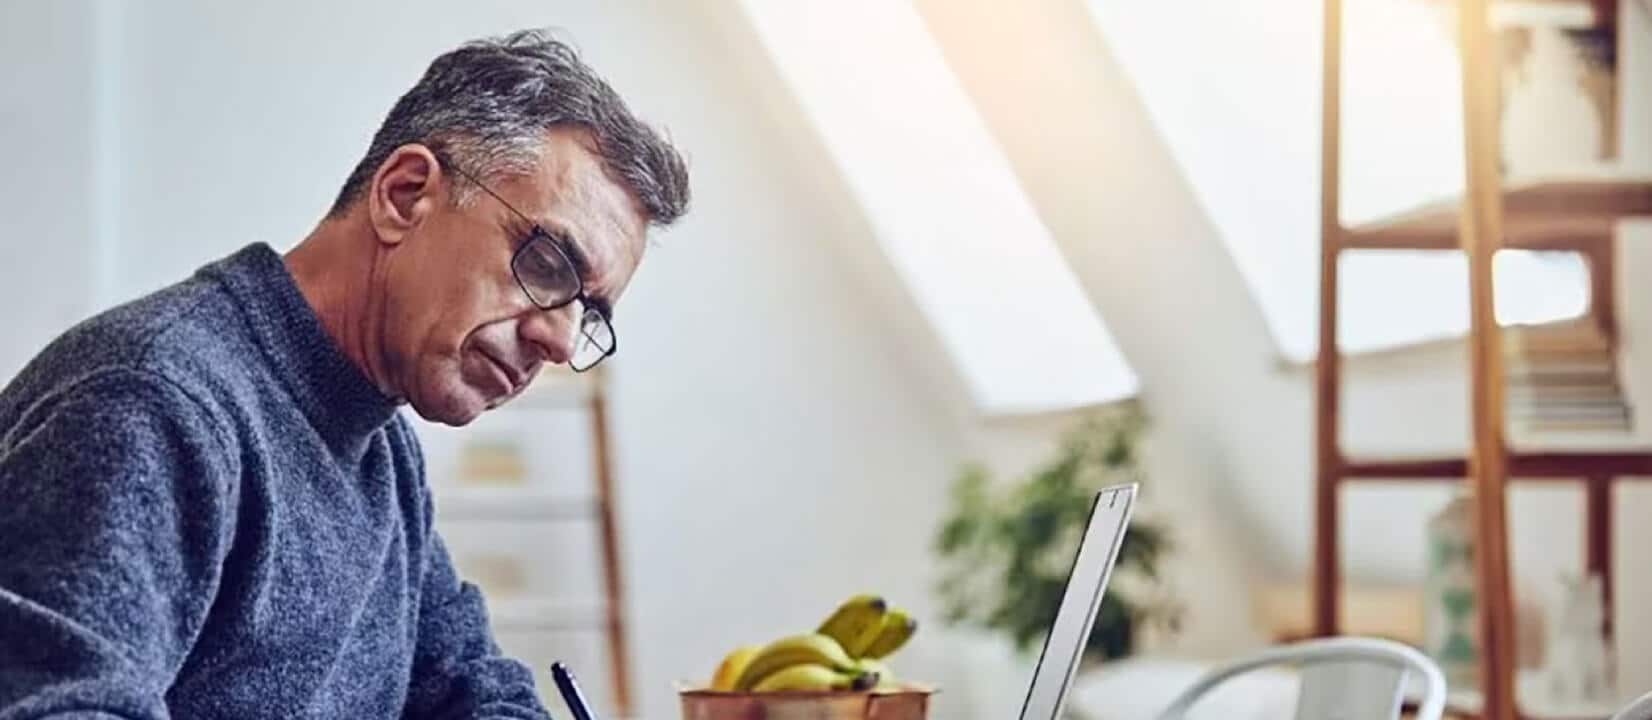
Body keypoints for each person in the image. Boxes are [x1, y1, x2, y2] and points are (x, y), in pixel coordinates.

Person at [0, 29, 689, 719]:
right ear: (405, 194)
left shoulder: (380, 448)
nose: (562, 341)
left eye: (588, 311)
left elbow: (471, 692)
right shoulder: (154, 405)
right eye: (547, 265)